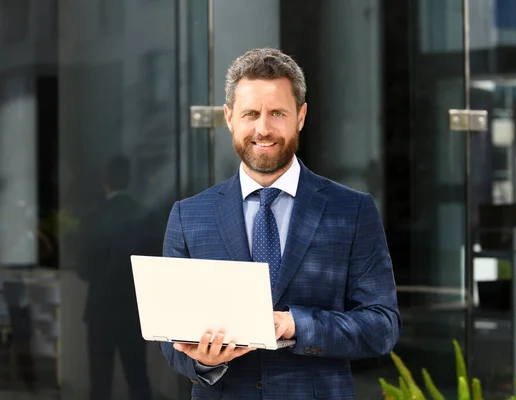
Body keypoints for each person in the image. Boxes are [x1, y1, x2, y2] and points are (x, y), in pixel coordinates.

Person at [159, 48, 401, 399]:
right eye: (250, 114)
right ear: (229, 117)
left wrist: (295, 324)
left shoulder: (352, 210)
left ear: (300, 116)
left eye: (277, 113)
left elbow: (382, 326)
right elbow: (168, 336)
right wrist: (203, 361)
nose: (263, 128)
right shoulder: (188, 215)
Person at [78, 155, 152, 400]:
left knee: (100, 380)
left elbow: (84, 270)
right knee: (137, 376)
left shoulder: (92, 218)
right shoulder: (143, 215)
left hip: (101, 308)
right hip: (134, 308)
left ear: (104, 181)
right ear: (128, 179)